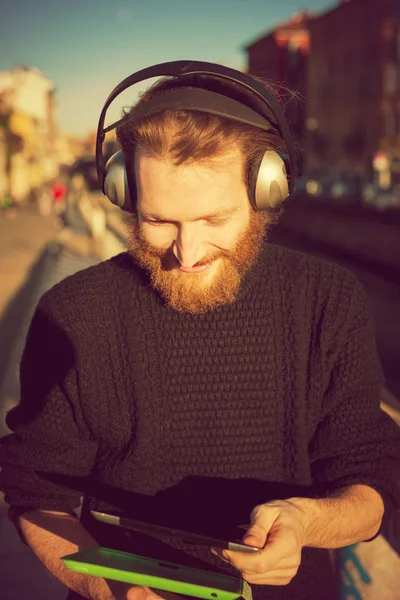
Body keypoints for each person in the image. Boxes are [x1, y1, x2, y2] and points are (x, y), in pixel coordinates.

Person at [1, 61, 400, 600]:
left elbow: (373, 476)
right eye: (159, 220)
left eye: (214, 220)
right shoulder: (74, 312)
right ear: (123, 190)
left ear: (267, 193)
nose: (185, 254)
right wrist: (105, 587)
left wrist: (307, 522)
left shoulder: (327, 300)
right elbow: (35, 493)